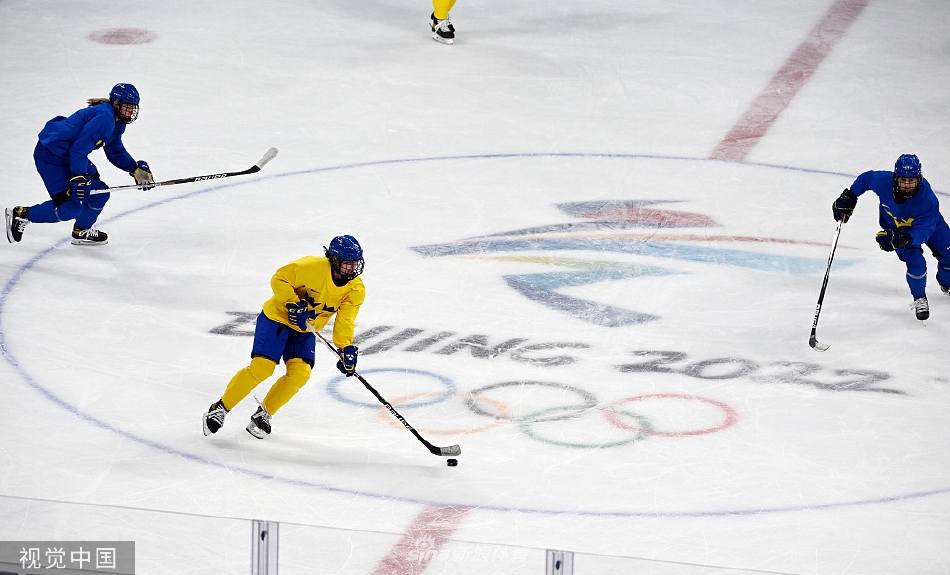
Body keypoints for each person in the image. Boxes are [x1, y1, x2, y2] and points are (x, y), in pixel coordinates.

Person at [203, 236, 367, 439]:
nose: (352, 268)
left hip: (304, 330)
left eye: (355, 263)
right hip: (277, 319)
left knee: (300, 374)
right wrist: (293, 303)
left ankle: (264, 413)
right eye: (347, 263)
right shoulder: (311, 266)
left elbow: (346, 321)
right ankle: (220, 408)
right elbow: (279, 278)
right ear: (334, 259)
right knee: (262, 368)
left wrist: (345, 348)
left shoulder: (355, 289)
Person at [5, 83, 153, 246]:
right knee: (69, 208)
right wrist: (78, 177)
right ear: (116, 103)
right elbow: (78, 150)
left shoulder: (118, 122)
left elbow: (115, 150)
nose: (131, 112)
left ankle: (81, 231)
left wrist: (134, 168)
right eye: (127, 107)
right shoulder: (104, 119)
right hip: (51, 154)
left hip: (70, 154)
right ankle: (21, 214)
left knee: (100, 193)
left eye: (133, 107)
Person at [832, 153, 950, 321]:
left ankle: (946, 283)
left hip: (929, 225)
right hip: (896, 228)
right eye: (903, 180)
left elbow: (923, 232)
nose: (907, 185)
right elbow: (867, 178)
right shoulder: (884, 181)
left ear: (919, 178)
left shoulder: (928, 200)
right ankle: (919, 297)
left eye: (911, 180)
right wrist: (850, 196)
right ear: (895, 178)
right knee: (916, 263)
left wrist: (903, 239)